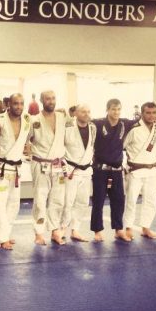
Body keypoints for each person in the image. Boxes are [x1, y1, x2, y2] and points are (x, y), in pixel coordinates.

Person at [90, 99, 137, 242]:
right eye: (113, 109)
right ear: (107, 110)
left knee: (119, 200)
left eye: (118, 109)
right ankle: (97, 230)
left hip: (116, 170)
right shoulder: (98, 124)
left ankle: (118, 229)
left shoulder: (124, 123)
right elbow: (83, 121)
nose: (116, 112)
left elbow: (142, 119)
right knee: (98, 200)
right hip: (100, 170)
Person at [0, 93, 32, 250]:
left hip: (16, 168)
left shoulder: (27, 119)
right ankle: (2, 238)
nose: (19, 106)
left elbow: (28, 138)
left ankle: (6, 233)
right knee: (0, 203)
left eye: (21, 103)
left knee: (14, 203)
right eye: (16, 103)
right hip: (0, 168)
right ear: (9, 104)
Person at [28, 90, 68, 245]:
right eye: (47, 99)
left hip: (58, 165)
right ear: (41, 100)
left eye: (53, 98)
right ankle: (38, 233)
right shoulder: (34, 120)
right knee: (40, 200)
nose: (51, 101)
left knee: (58, 200)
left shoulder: (63, 117)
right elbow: (25, 138)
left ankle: (55, 230)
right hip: (41, 164)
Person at [122, 102, 156, 240]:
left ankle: (146, 227)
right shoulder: (134, 129)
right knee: (131, 201)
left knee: (151, 201)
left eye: (154, 113)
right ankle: (128, 228)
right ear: (142, 113)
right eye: (148, 113)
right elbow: (122, 146)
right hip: (135, 171)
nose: (151, 116)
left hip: (151, 170)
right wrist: (124, 165)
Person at [61, 104, 96, 242]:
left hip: (86, 170)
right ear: (75, 113)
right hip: (71, 170)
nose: (86, 114)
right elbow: (60, 147)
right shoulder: (67, 127)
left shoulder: (93, 127)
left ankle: (75, 229)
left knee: (83, 201)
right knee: (67, 201)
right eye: (83, 111)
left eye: (88, 111)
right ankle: (62, 228)